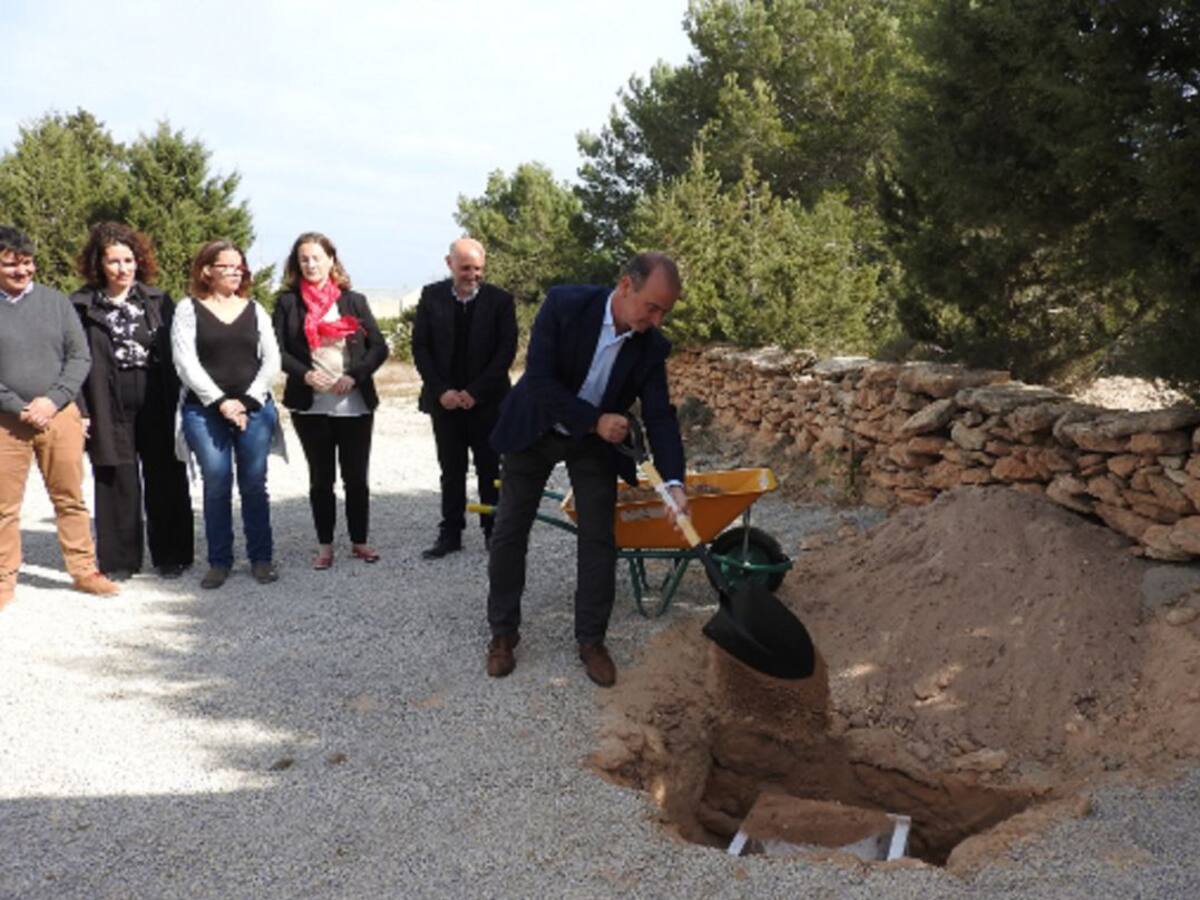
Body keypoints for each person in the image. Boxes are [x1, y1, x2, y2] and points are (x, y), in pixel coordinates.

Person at [484, 252, 689, 687]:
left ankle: (591, 641)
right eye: (651, 306)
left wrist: (674, 483)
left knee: (599, 537)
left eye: (664, 312)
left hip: (595, 443)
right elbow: (538, 379)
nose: (655, 319)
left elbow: (660, 416)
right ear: (625, 286)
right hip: (537, 425)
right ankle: (503, 633)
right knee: (509, 530)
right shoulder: (564, 304)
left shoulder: (652, 346)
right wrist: (594, 418)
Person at [0, 225, 119, 609]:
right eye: (12, 265)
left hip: (59, 416)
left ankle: (84, 571)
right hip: (6, 422)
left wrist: (52, 401)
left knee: (70, 498)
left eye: (28, 263)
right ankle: (4, 580)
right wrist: (19, 407)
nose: (23, 272)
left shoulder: (56, 303)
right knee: (3, 507)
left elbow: (79, 357)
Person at [71, 222, 194, 581]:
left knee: (166, 474)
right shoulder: (80, 306)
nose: (123, 268)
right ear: (99, 264)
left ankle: (173, 554)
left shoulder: (158, 301)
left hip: (157, 397)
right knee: (115, 476)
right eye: (114, 261)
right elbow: (72, 359)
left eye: (129, 260)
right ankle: (120, 560)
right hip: (106, 399)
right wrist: (80, 409)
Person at [172, 240, 283, 589]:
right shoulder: (188, 310)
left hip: (254, 411)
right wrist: (221, 402)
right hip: (204, 411)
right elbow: (185, 362)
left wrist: (248, 401)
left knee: (254, 483)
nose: (236, 272)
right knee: (217, 482)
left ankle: (261, 558)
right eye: (228, 266)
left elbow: (272, 360)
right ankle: (219, 561)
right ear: (208, 270)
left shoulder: (255, 310)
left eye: (240, 267)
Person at [273, 232, 388, 569]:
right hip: (311, 406)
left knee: (356, 477)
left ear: (331, 260)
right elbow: (276, 350)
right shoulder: (287, 303)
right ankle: (325, 546)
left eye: (316, 257)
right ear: (296, 264)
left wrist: (355, 376)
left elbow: (379, 347)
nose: (310, 264)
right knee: (321, 479)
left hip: (355, 405)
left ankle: (360, 541)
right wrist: (305, 374)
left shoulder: (353, 301)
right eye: (304, 259)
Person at [412, 238, 517, 559]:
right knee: (451, 469)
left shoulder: (500, 301)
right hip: (444, 402)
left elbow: (505, 352)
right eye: (466, 268)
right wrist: (441, 390)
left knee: (490, 468)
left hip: (487, 402)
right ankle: (450, 533)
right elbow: (421, 348)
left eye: (478, 269)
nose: (472, 275)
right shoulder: (431, 297)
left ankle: (493, 531)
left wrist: (475, 392)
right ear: (450, 264)